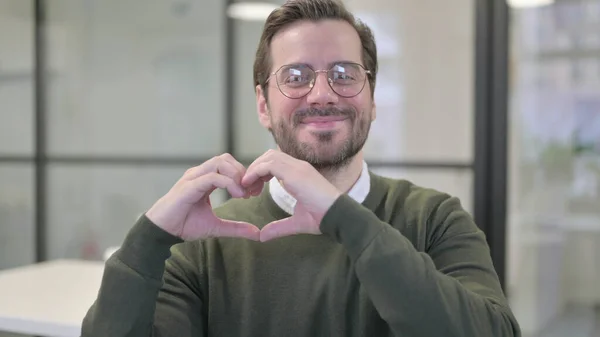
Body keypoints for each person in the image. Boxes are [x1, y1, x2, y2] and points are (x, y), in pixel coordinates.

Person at [81, 0, 521, 336]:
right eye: (295, 77)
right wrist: (148, 240)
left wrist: (345, 219)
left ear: (371, 96)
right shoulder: (208, 238)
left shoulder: (434, 218)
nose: (322, 94)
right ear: (263, 105)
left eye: (345, 74)